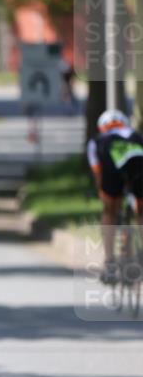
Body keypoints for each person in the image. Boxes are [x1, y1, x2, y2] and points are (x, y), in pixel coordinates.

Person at [86, 110, 143, 284]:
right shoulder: (137, 136)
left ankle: (110, 262)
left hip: (112, 166)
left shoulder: (97, 141)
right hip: (138, 164)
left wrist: (103, 193)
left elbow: (98, 172)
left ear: (102, 127)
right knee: (141, 210)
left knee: (109, 210)